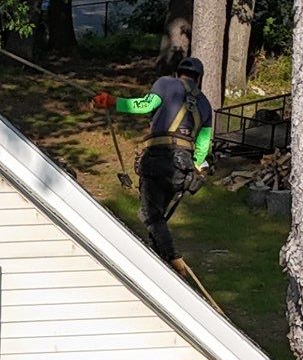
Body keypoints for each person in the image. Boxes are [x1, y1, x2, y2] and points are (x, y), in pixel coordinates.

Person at [91, 59, 214, 263]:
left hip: (159, 158)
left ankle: (174, 260)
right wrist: (196, 167)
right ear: (199, 78)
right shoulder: (205, 104)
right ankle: (157, 262)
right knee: (158, 218)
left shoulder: (165, 84)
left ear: (178, 72)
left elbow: (145, 105)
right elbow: (203, 145)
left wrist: (114, 102)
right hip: (182, 168)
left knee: (149, 214)